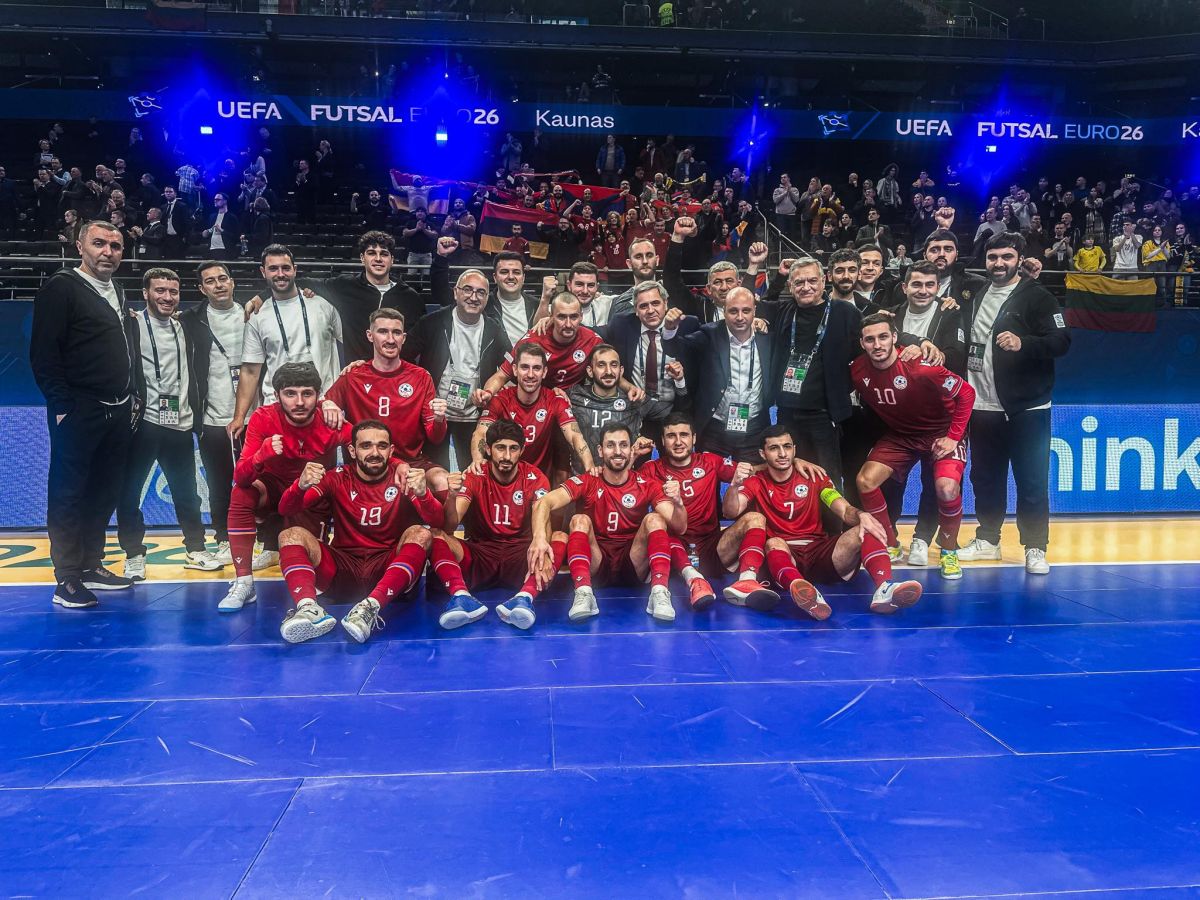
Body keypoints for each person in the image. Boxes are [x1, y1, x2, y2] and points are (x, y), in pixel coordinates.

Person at [30, 221, 138, 608]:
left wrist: (133, 397)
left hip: (117, 409)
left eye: (115, 246)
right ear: (80, 246)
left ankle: (91, 564)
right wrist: (61, 406)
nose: (108, 251)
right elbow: (43, 353)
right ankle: (68, 578)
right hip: (79, 409)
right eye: (99, 243)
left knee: (104, 492)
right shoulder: (62, 287)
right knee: (69, 494)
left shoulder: (118, 290)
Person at [719, 424, 921, 620]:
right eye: (774, 448)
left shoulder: (815, 477)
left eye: (787, 446)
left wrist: (861, 514)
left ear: (794, 449)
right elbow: (731, 511)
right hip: (783, 555)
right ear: (763, 454)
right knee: (773, 543)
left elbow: (843, 509)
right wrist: (734, 486)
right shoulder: (756, 481)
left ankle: (884, 588)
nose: (782, 453)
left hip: (820, 553)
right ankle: (805, 592)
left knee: (866, 526)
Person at [957, 233, 1071, 574]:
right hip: (982, 406)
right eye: (993, 257)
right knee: (985, 479)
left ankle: (1035, 547)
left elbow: (1062, 341)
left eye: (1006, 257)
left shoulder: (1038, 296)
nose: (999, 263)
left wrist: (1025, 343)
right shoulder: (975, 294)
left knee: (1031, 480)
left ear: (1019, 259)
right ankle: (988, 540)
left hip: (1027, 408)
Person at [274, 420, 440, 644]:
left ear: (391, 450)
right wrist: (299, 486)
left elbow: (437, 522)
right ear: (352, 451)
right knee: (290, 535)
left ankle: (371, 607)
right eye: (366, 446)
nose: (375, 453)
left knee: (421, 533)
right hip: (342, 568)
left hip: (387, 570)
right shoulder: (336, 477)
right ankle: (309, 610)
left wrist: (423, 495)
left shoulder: (403, 478)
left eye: (382, 446)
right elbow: (286, 509)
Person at [851, 312, 975, 581]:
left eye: (883, 337)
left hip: (941, 434)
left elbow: (967, 393)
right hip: (901, 436)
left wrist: (954, 437)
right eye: (870, 340)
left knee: (946, 488)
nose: (877, 345)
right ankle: (890, 544)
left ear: (895, 338)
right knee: (865, 481)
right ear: (862, 343)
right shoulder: (858, 370)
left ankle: (949, 551)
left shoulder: (921, 366)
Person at [218, 362, 352, 611]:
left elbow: (368, 445)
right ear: (277, 395)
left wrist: (399, 467)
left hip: (309, 496)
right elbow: (241, 476)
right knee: (241, 493)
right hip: (271, 491)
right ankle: (244, 582)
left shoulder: (330, 420)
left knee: (317, 576)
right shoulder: (263, 417)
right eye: (290, 393)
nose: (299, 402)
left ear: (318, 395)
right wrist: (262, 455)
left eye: (307, 394)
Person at [117, 267, 220, 579]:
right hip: (143, 422)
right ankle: (134, 554)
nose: (167, 297)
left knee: (187, 493)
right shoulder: (130, 324)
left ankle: (196, 549)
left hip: (180, 421)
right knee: (129, 493)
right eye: (159, 290)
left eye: (173, 291)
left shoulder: (186, 325)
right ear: (145, 293)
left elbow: (217, 305)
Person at [529, 423, 684, 623]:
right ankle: (583, 592)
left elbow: (680, 526)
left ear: (631, 450)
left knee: (655, 518)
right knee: (579, 520)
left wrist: (678, 503)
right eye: (611, 445)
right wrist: (539, 538)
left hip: (633, 563)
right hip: (597, 563)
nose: (618, 451)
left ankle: (660, 593)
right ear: (600, 451)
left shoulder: (646, 484)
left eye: (623, 445)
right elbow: (544, 501)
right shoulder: (588, 480)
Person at [431, 420, 557, 631]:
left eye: (513, 449)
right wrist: (451, 496)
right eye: (500, 448)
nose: (507, 456)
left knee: (558, 538)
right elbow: (450, 527)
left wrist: (541, 545)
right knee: (435, 535)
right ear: (488, 449)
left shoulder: (535, 477)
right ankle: (461, 596)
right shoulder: (475, 475)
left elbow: (542, 520)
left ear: (522, 451)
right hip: (482, 553)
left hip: (520, 555)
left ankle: (525, 597)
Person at [321, 308, 451, 493]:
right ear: (370, 335)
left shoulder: (421, 377)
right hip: (365, 464)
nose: (390, 339)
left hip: (410, 462)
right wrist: (326, 403)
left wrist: (439, 419)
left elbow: (435, 437)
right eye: (383, 331)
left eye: (396, 333)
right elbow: (321, 407)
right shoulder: (353, 376)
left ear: (403, 338)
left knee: (444, 481)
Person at [760, 258, 862, 487]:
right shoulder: (786, 310)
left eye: (812, 281)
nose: (806, 287)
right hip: (787, 410)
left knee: (827, 477)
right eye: (799, 282)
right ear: (790, 286)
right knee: (790, 474)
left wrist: (844, 387)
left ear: (824, 281)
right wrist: (778, 278)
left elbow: (867, 347)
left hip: (824, 413)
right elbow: (762, 304)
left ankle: (833, 513)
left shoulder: (845, 312)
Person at [178, 261, 253, 566]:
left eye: (223, 278)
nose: (218, 285)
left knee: (260, 480)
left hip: (253, 416)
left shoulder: (253, 313)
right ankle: (223, 538)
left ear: (232, 282)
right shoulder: (190, 319)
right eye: (210, 281)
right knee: (219, 484)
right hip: (212, 416)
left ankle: (263, 536)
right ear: (201, 289)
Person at [403, 257, 510, 470]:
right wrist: (420, 394)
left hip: (474, 414)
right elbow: (403, 357)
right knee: (434, 471)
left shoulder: (494, 329)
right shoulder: (432, 323)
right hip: (435, 413)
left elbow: (511, 366)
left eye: (480, 292)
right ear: (455, 292)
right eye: (467, 290)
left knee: (473, 472)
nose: (473, 297)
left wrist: (490, 391)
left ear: (487, 297)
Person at [232, 244, 343, 436]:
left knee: (322, 458)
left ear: (295, 269)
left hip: (323, 407)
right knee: (278, 456)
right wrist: (239, 416)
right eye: (273, 269)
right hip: (277, 408)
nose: (280, 274)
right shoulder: (257, 315)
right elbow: (250, 371)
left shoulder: (323, 304)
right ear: (263, 272)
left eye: (285, 268)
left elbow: (348, 345)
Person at [661, 286, 773, 460]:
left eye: (746, 311)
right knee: (708, 475)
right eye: (733, 311)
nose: (740, 317)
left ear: (754, 311)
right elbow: (676, 348)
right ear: (724, 311)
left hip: (754, 426)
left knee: (753, 476)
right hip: (715, 427)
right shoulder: (710, 334)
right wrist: (669, 328)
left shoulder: (766, 338)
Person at [470, 342, 594, 477]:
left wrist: (590, 468)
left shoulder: (555, 401)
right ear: (515, 370)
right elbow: (480, 433)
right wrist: (477, 460)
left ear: (544, 372)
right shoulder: (499, 400)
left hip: (539, 482)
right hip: (502, 479)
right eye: (524, 367)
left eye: (536, 368)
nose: (530, 374)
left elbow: (575, 436)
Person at [302, 231, 425, 362]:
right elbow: (301, 282)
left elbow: (417, 342)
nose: (378, 259)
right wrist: (309, 290)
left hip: (397, 371)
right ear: (362, 258)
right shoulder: (344, 286)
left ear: (392, 260)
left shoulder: (410, 297)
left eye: (384, 254)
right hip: (358, 371)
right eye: (372, 253)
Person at [480, 292, 604, 398]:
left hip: (576, 402)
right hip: (537, 401)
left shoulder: (592, 341)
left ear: (581, 316)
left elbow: (608, 373)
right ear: (551, 316)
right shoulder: (532, 341)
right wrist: (487, 393)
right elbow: (501, 376)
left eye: (573, 317)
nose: (568, 324)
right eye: (561, 317)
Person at [432, 242, 539, 349]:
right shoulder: (481, 302)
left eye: (516, 272)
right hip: (496, 359)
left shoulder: (537, 305)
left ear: (523, 278)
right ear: (495, 277)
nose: (511, 277)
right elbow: (443, 295)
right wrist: (441, 257)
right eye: (504, 272)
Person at [568, 343, 647, 457]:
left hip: (618, 467)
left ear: (621, 371)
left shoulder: (632, 401)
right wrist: (556, 391)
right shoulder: (574, 395)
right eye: (601, 365)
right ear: (590, 371)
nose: (609, 371)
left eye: (614, 365)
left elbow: (633, 444)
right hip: (580, 468)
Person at [201, 193, 239, 261]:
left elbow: (235, 236)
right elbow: (208, 232)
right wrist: (206, 233)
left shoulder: (231, 217)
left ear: (225, 201)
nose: (215, 201)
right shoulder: (212, 216)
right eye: (214, 199)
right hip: (211, 250)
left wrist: (222, 230)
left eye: (218, 199)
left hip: (225, 250)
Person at [159, 185, 191, 259]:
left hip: (178, 238)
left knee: (178, 261)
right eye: (166, 192)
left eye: (170, 192)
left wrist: (185, 237)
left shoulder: (182, 206)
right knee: (167, 261)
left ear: (175, 193)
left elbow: (187, 223)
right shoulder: (163, 207)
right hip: (166, 238)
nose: (168, 193)